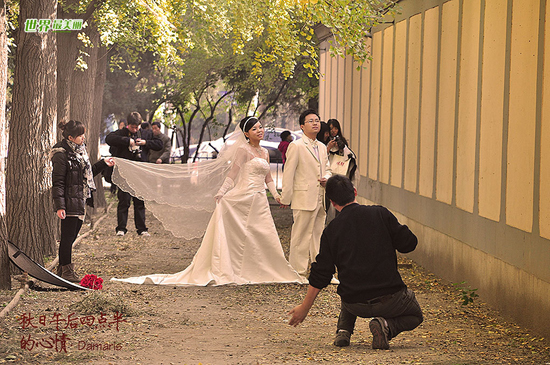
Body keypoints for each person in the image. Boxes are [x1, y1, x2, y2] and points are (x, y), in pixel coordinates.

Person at [110, 116, 306, 286]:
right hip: (243, 196)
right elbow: (233, 174)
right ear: (246, 134)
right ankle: (234, 267)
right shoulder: (243, 151)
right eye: (254, 129)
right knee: (240, 233)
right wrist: (221, 192)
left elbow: (268, 178)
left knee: (263, 232)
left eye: (261, 127)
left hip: (260, 199)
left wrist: (277, 195)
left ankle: (264, 267)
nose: (260, 131)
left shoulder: (264, 153)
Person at [288, 175, 423, 350]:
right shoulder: (380, 214)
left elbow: (321, 273)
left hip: (355, 303)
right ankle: (386, 326)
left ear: (332, 202)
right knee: (416, 315)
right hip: (390, 300)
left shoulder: (332, 230)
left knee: (349, 285)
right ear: (355, 192)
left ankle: (343, 331)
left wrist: (305, 307)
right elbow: (409, 244)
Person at [51, 120, 115, 281]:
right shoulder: (61, 154)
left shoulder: (80, 152)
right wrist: (60, 206)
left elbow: (86, 175)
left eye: (83, 134)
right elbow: (58, 182)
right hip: (69, 201)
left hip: (80, 199)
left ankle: (62, 269)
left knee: (70, 237)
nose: (83, 137)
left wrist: (103, 164)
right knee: (67, 237)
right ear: (71, 138)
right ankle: (67, 271)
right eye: (79, 135)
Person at [279, 109, 331, 277]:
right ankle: (298, 272)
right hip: (303, 197)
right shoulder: (296, 146)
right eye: (311, 121)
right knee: (301, 236)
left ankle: (321, 273)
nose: (315, 123)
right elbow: (289, 173)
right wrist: (285, 197)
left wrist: (327, 178)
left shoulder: (322, 147)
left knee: (319, 236)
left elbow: (328, 169)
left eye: (317, 120)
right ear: (302, 126)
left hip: (320, 197)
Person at [105, 112, 162, 237]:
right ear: (127, 125)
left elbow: (159, 144)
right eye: (132, 127)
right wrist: (127, 141)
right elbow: (108, 139)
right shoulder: (121, 133)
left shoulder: (146, 134)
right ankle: (121, 228)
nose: (135, 129)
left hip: (140, 174)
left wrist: (145, 143)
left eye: (137, 127)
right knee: (123, 201)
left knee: (139, 201)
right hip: (124, 173)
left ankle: (142, 229)